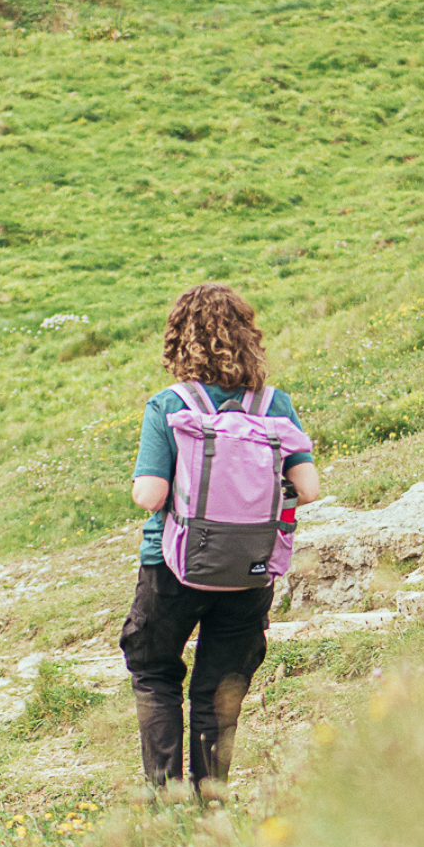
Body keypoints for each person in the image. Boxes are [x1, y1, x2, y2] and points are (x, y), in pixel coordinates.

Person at [120, 283, 320, 799]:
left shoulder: (169, 405)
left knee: (155, 672)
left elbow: (150, 494)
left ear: (177, 342)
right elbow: (309, 488)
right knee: (217, 691)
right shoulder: (275, 405)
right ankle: (211, 805)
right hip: (249, 570)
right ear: (248, 336)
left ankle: (166, 805)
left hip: (173, 566)